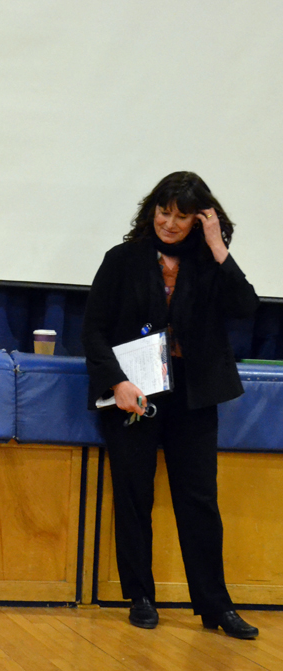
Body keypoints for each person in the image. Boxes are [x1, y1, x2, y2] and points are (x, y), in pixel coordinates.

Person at [82, 171, 260, 639]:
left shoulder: (209, 266)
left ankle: (214, 604)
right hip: (134, 392)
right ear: (151, 211)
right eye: (164, 212)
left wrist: (218, 245)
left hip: (194, 392)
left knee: (200, 499)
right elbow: (94, 331)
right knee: (135, 493)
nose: (170, 223)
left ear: (200, 218)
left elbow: (245, 305)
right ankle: (140, 595)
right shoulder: (122, 260)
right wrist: (116, 383)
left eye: (183, 216)